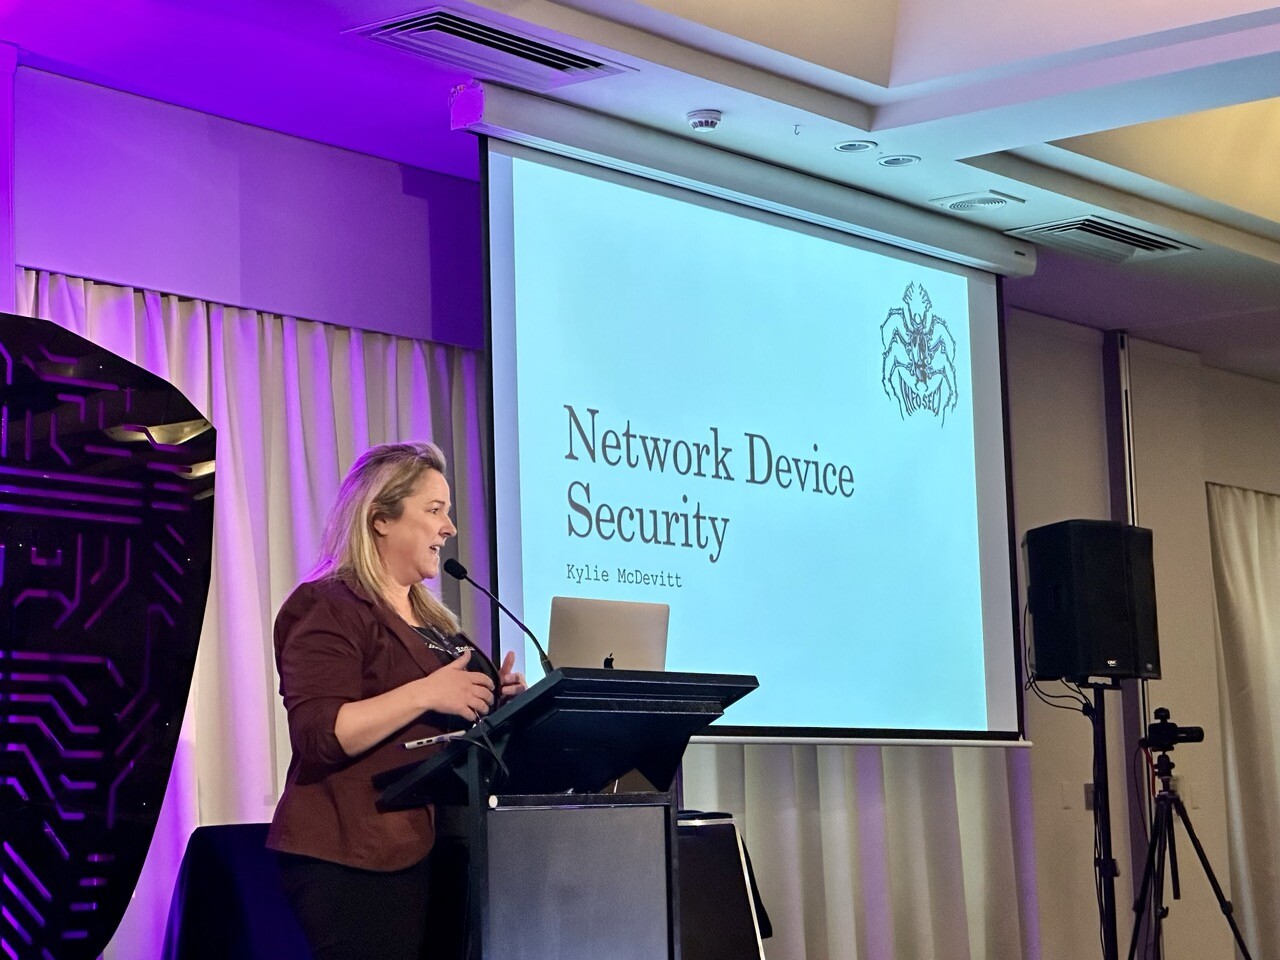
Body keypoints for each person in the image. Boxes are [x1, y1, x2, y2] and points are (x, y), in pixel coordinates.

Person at [268, 441, 525, 960]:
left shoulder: (434, 623)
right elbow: (319, 732)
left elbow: (441, 725)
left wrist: (497, 703)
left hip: (445, 850)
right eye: (434, 510)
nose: (449, 528)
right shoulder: (327, 606)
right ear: (380, 518)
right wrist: (429, 692)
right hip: (354, 857)